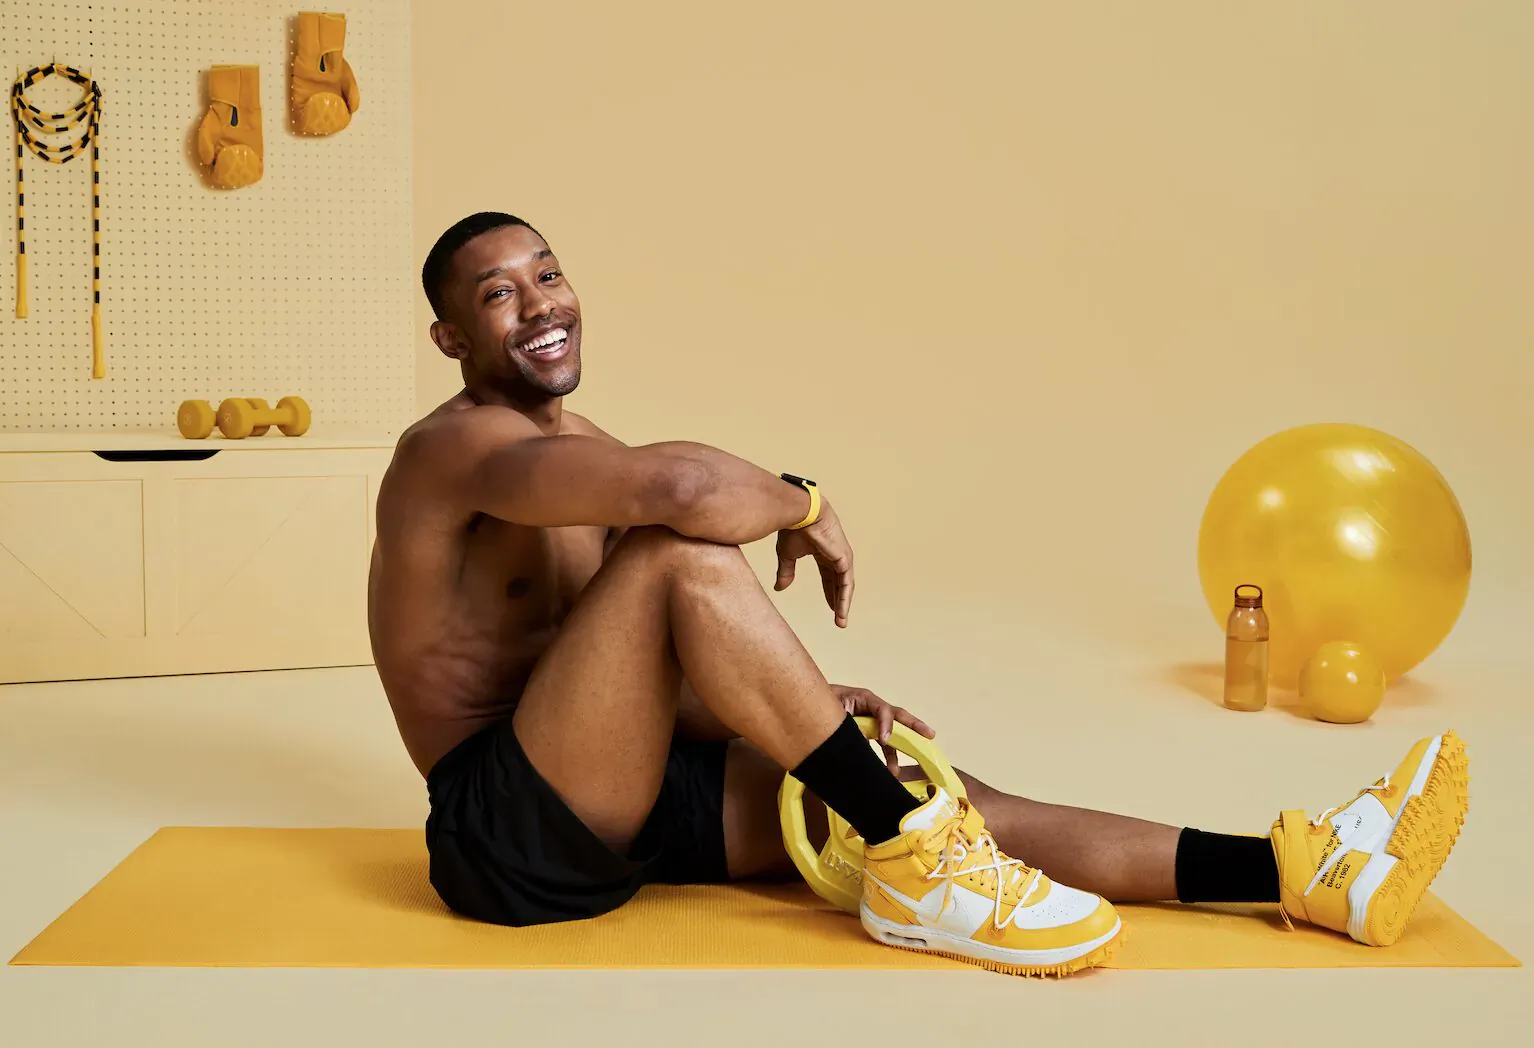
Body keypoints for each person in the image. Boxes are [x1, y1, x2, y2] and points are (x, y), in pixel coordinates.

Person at [368, 211, 1470, 977]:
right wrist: (806, 502)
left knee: (921, 787)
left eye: (547, 274)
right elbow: (690, 493)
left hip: (615, 794)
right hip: (504, 832)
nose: (539, 305)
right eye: (497, 296)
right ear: (453, 338)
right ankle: (918, 867)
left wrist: (796, 697)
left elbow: (619, 675)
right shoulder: (450, 455)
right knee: (676, 553)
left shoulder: (580, 448)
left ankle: (1305, 868)